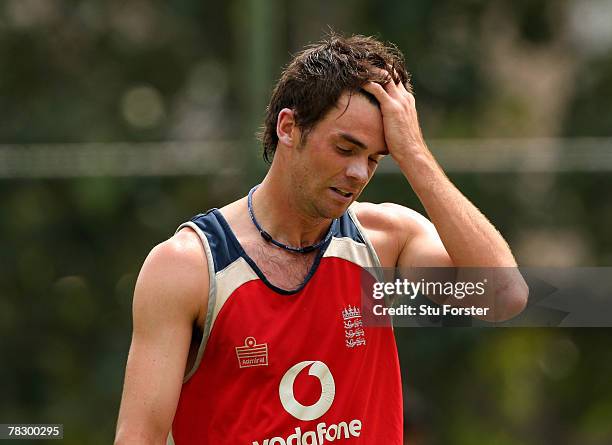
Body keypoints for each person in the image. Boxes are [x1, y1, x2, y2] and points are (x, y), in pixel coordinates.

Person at [114, 33, 528, 444]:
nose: (359, 174)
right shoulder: (189, 266)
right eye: (346, 149)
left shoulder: (386, 240)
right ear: (289, 127)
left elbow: (503, 296)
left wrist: (415, 154)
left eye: (375, 158)